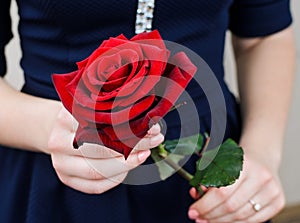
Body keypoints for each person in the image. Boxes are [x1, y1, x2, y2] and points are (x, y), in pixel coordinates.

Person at [0, 0, 295, 223]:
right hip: (61, 172)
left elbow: (263, 35)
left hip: (210, 168)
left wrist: (261, 152)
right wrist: (48, 128)